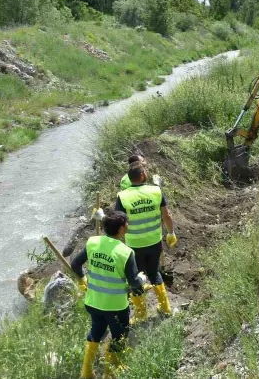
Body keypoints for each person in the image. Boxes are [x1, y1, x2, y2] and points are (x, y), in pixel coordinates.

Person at [71, 210, 145, 379]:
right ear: (120, 229)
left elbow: (75, 263)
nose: (128, 225)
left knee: (96, 332)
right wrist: (140, 279)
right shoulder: (126, 252)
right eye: (126, 223)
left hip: (93, 302)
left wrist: (83, 280)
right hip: (116, 306)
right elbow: (133, 282)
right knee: (119, 336)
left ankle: (86, 372)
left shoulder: (92, 242)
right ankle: (110, 373)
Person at [116, 162, 178, 322]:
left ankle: (141, 314)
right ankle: (165, 308)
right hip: (154, 242)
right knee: (153, 272)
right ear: (143, 176)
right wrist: (171, 232)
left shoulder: (123, 196)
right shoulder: (156, 191)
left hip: (134, 245)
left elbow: (118, 222)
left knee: (135, 277)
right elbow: (167, 215)